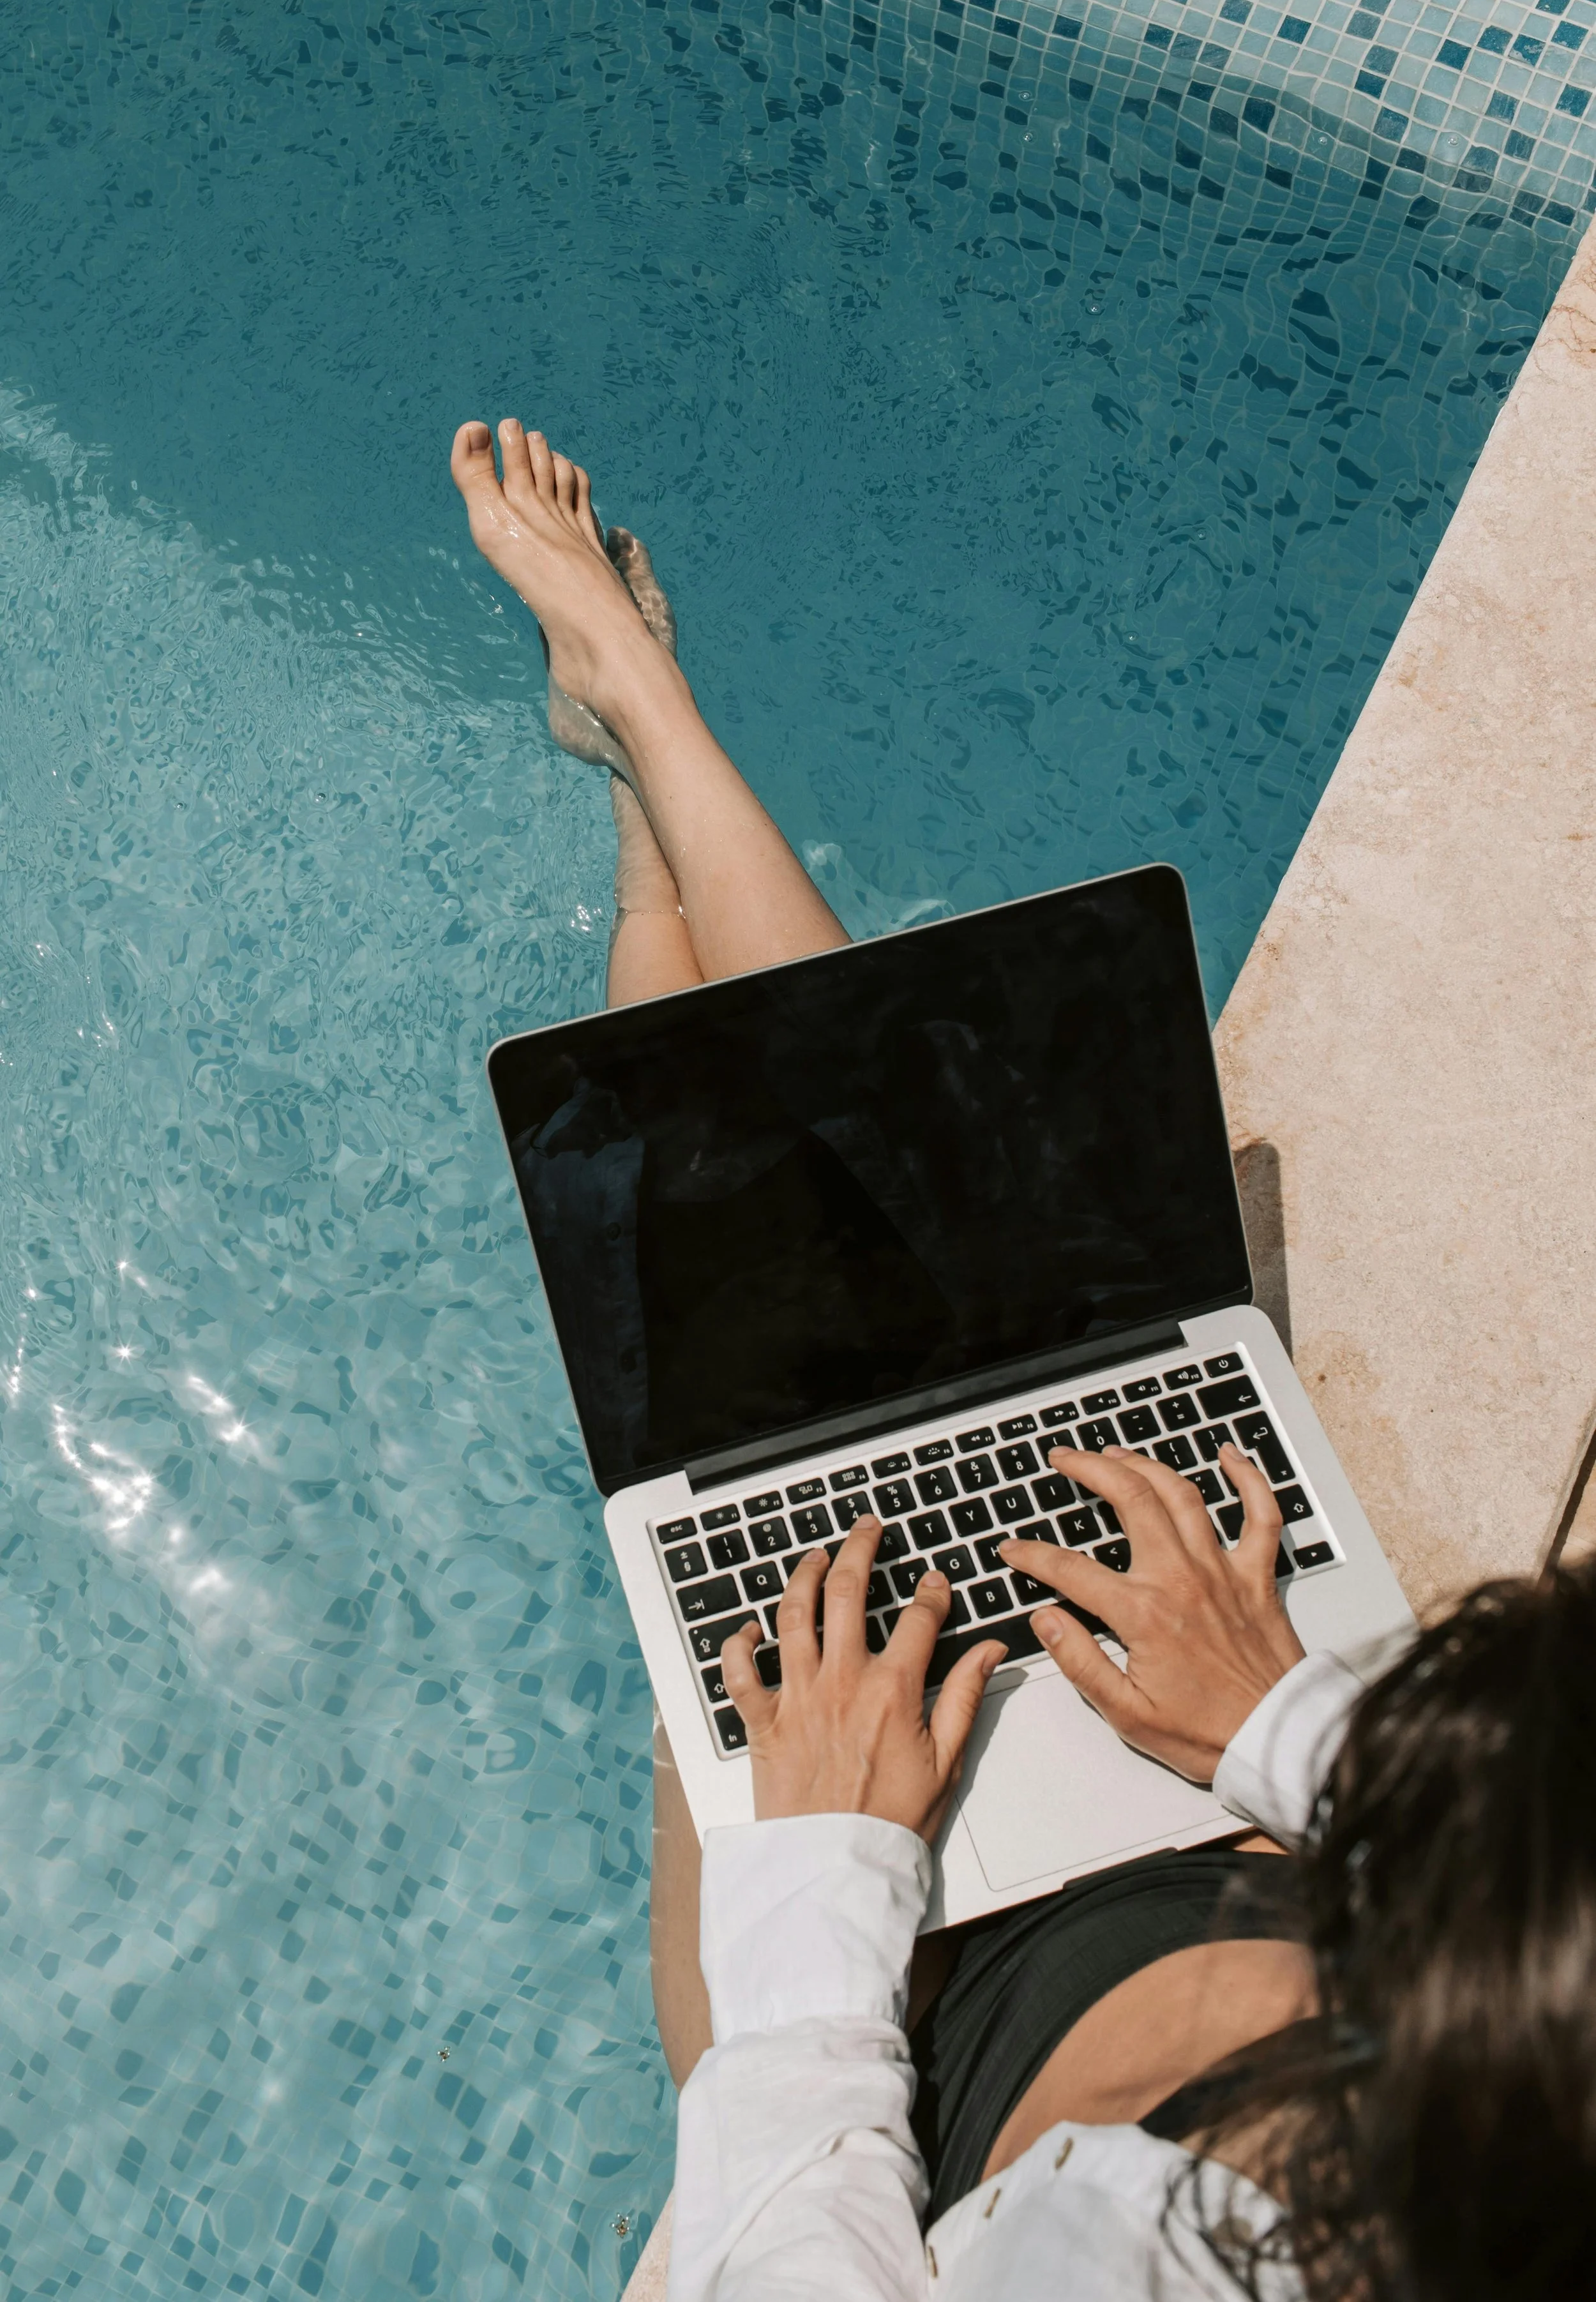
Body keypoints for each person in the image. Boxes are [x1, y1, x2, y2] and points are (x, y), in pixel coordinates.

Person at [451, 420, 1596, 2301]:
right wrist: (1282, 1722)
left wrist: (824, 1873)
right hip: (1262, 1869)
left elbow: (786, 2245)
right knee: (987, 1301)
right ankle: (643, 727)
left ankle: (645, 768)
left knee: (763, 1411)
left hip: (923, 2038)